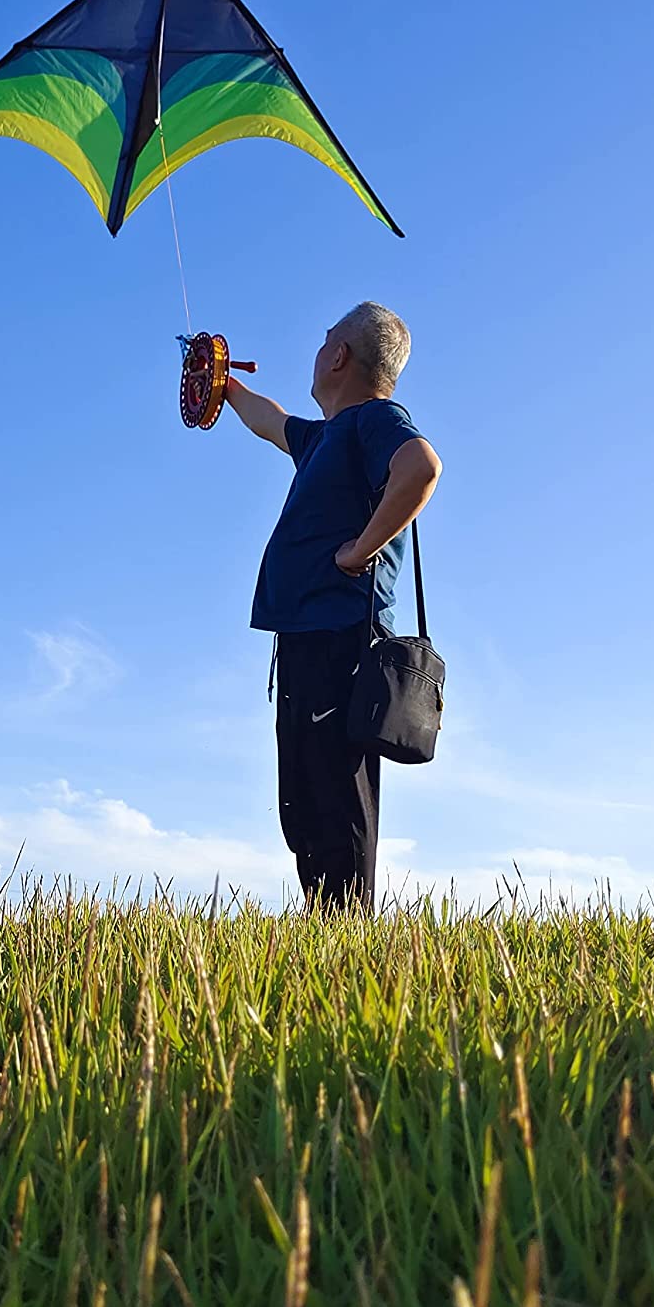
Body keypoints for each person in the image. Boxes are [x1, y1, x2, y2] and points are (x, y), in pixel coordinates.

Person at [224, 302, 442, 913]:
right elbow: (273, 423)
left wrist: (357, 554)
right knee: (303, 792)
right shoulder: (324, 437)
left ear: (340, 355)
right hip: (306, 633)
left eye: (324, 341)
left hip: (341, 633)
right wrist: (227, 386)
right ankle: (330, 928)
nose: (316, 350)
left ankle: (348, 935)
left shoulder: (376, 419)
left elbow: (421, 467)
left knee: (335, 795)